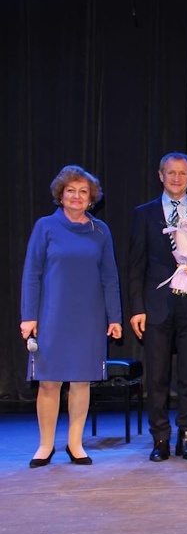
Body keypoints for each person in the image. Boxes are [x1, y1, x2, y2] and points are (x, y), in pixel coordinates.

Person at [20, 166, 123, 468]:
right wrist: (29, 316)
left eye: (83, 192)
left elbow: (110, 277)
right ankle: (45, 445)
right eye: (71, 191)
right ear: (61, 195)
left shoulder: (101, 231)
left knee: (81, 381)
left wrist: (114, 317)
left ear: (91, 198)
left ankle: (75, 444)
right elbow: (31, 273)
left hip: (89, 317)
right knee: (49, 382)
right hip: (51, 315)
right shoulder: (45, 227)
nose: (76, 196)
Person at [128, 152, 187, 462]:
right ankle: (160, 438)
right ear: (161, 176)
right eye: (170, 172)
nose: (176, 178)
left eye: (183, 173)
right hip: (156, 306)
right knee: (157, 376)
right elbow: (135, 266)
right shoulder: (144, 214)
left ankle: (186, 436)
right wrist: (137, 308)